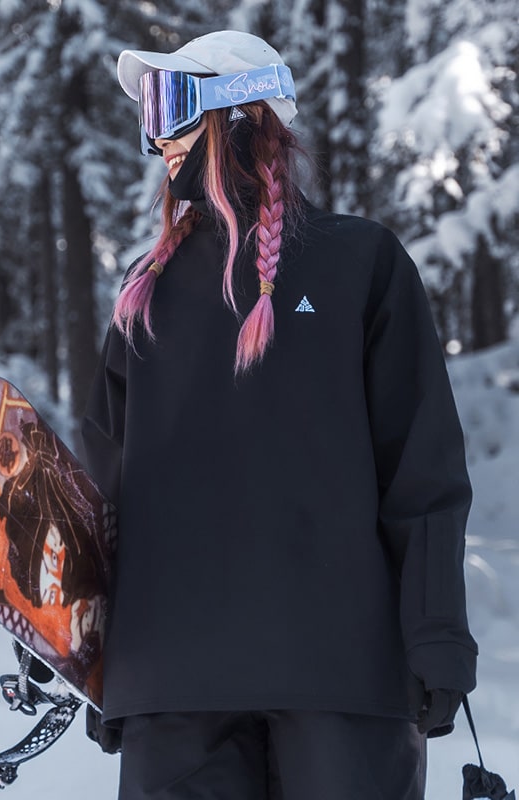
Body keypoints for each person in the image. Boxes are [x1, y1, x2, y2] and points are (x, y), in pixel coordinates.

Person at [81, 29, 478, 800]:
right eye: (147, 112)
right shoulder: (144, 292)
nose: (156, 136)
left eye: (170, 104)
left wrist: (437, 636)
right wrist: (77, 640)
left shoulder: (360, 262)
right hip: (178, 683)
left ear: (241, 112)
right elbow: (99, 499)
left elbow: (421, 471)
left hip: (335, 675)